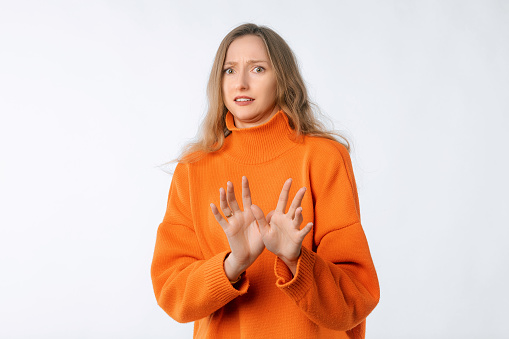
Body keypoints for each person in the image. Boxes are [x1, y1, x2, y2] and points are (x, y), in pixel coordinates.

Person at [151, 23, 380, 338]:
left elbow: (357, 297)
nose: (241, 83)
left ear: (282, 80)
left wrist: (295, 258)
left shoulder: (324, 158)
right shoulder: (193, 169)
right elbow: (172, 293)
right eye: (229, 71)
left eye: (257, 69)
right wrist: (234, 263)